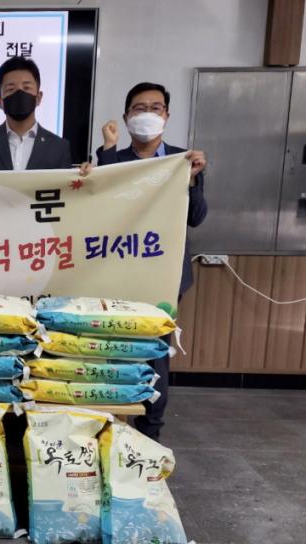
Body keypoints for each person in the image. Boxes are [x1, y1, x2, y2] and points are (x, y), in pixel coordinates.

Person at [96, 81, 208, 442]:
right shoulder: (114, 159)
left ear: (167, 115)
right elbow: (102, 208)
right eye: (139, 108)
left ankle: (149, 436)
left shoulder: (183, 161)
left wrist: (192, 181)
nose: (147, 114)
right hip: (117, 273)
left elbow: (197, 217)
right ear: (127, 115)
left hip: (165, 275)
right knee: (112, 351)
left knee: (155, 353)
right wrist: (107, 150)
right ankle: (108, 430)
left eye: (155, 108)